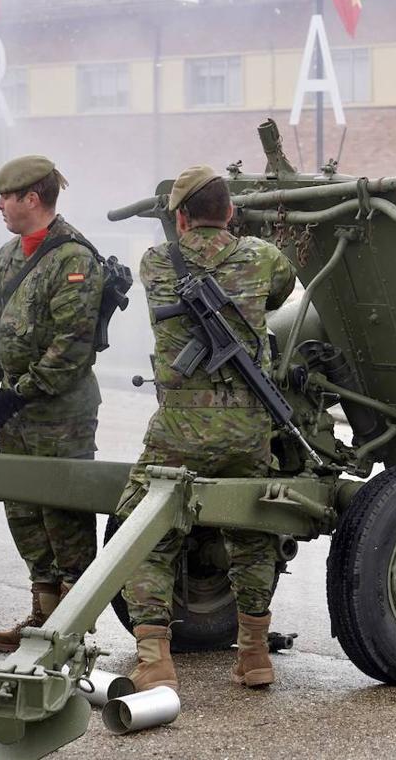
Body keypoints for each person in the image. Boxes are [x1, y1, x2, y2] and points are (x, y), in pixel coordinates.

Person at [115, 164, 296, 693]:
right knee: (254, 532)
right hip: (248, 428)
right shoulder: (262, 259)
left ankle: (154, 658)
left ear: (179, 216)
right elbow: (280, 292)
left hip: (179, 431)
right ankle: (255, 652)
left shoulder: (155, 262)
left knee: (144, 531)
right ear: (231, 212)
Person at [0, 155, 104, 653]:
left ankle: (72, 627)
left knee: (64, 517)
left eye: (7, 196)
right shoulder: (7, 256)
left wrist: (16, 393)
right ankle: (42, 615)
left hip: (60, 414)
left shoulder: (75, 259)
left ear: (33, 199)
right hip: (14, 414)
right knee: (24, 513)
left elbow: (71, 346)